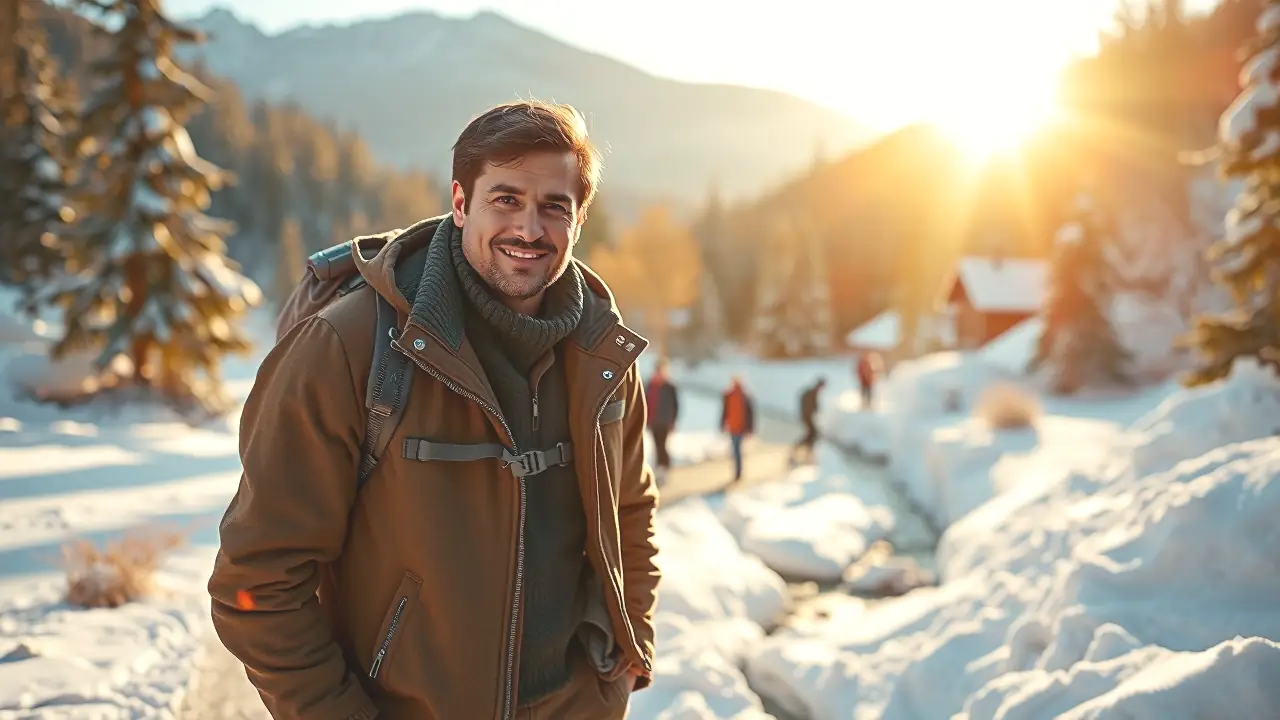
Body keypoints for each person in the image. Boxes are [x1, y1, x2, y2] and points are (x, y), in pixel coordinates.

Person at [208, 101, 658, 720]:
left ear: (579, 219)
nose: (529, 228)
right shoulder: (349, 346)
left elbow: (630, 513)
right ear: (460, 201)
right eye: (505, 198)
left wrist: (622, 663)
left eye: (554, 206)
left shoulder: (601, 352)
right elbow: (254, 582)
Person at [645, 358, 679, 483]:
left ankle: (664, 468)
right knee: (656, 445)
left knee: (662, 446)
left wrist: (673, 422)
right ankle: (659, 467)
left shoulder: (670, 386)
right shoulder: (650, 384)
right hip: (652, 421)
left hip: (665, 422)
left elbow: (675, 406)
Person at [720, 376, 755, 482]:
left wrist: (750, 428)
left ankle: (738, 471)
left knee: (737, 449)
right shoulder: (728, 395)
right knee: (735, 449)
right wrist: (722, 423)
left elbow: (750, 414)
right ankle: (737, 470)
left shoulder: (745, 396)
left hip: (740, 427)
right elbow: (725, 411)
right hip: (733, 427)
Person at [791, 376, 826, 466]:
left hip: (807, 417)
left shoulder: (812, 393)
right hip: (807, 417)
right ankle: (804, 454)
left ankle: (804, 453)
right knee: (812, 435)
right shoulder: (812, 393)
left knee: (811, 435)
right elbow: (812, 407)